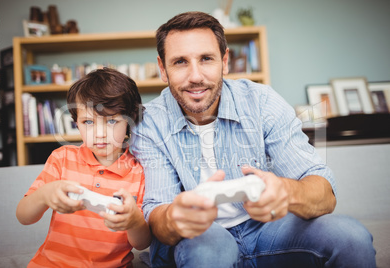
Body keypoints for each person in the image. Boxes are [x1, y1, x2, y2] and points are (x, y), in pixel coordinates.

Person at [130, 11, 376, 267]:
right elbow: (157, 214)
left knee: (351, 238)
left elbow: (324, 193)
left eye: (206, 59)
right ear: (162, 68)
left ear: (224, 61)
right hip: (200, 237)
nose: (195, 76)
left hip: (267, 230)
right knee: (208, 252)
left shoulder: (262, 102)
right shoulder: (148, 122)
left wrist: (287, 191)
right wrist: (173, 216)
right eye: (180, 62)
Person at [16, 68, 151, 267]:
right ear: (76, 124)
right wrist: (45, 194)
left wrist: (134, 221)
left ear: (130, 121)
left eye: (112, 121)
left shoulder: (139, 172)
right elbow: (24, 217)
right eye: (88, 122)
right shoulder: (62, 158)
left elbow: (141, 243)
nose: (99, 133)